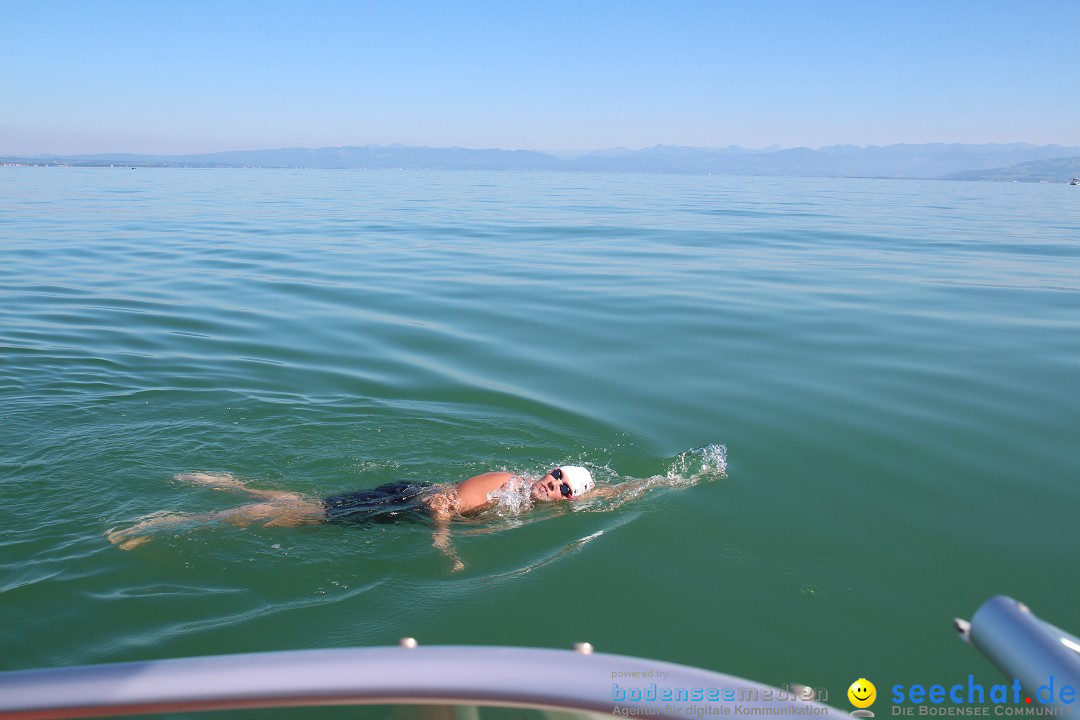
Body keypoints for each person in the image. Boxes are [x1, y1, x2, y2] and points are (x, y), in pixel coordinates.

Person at [106, 466, 598, 571]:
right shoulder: (507, 481)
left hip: (403, 504)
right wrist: (443, 543)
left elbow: (608, 491)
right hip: (409, 503)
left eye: (562, 488)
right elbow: (441, 505)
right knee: (302, 517)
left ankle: (228, 483)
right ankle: (174, 522)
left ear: (567, 500)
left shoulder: (534, 503)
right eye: (554, 475)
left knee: (309, 505)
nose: (551, 484)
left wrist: (660, 482)